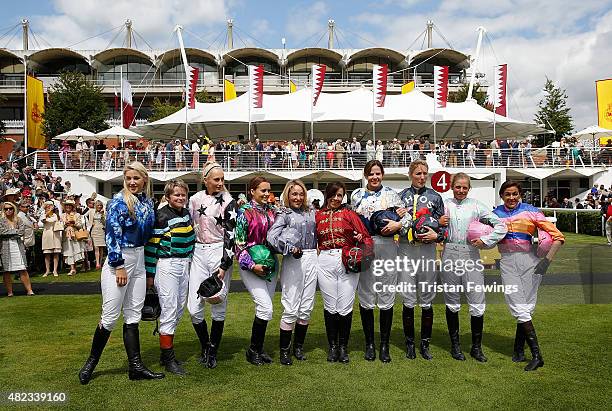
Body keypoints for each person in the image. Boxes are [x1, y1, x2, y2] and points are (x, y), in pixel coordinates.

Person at [78, 161, 163, 385]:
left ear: (144, 179)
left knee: (134, 315)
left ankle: (135, 367)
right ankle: (90, 363)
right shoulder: (117, 203)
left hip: (140, 259)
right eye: (128, 179)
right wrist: (118, 265)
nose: (132, 182)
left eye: (136, 178)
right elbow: (112, 235)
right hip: (121, 260)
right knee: (109, 317)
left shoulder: (147, 203)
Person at [493, 180, 565, 371]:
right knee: (518, 305)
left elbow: (558, 237)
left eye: (515, 194)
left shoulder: (531, 211)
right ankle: (529, 353)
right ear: (501, 195)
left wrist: (546, 262)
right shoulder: (494, 214)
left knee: (527, 307)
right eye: (507, 194)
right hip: (507, 262)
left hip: (530, 262)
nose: (511, 198)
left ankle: (525, 352)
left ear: (520, 195)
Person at [438, 173, 507, 362]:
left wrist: (485, 240)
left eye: (464, 187)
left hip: (471, 253)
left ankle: (476, 348)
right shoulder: (444, 204)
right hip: (450, 252)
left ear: (469, 188)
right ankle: (455, 345)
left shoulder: (476, 205)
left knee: (477, 300)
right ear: (452, 186)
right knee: (452, 300)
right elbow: (430, 223)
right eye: (458, 187)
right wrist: (437, 223)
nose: (461, 190)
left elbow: (500, 226)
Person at [351, 160, 404, 362]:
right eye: (371, 174)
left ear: (382, 175)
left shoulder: (392, 194)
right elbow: (352, 220)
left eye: (378, 174)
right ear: (366, 175)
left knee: (387, 292)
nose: (374, 177)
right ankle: (370, 344)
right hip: (366, 245)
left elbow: (405, 218)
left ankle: (384, 345)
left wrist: (397, 224)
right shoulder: (356, 195)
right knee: (366, 293)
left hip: (388, 246)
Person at [317, 182, 373, 363]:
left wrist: (359, 239)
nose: (336, 198)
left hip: (346, 259)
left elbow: (366, 237)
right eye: (333, 194)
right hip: (324, 260)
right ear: (327, 195)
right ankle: (332, 347)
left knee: (345, 306)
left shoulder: (350, 214)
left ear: (344, 196)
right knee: (330, 306)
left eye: (339, 195)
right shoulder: (318, 216)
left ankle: (343, 347)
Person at [187, 162, 237, 369]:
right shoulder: (194, 199)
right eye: (216, 179)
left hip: (219, 252)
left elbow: (231, 236)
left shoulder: (229, 201)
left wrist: (224, 266)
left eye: (222, 179)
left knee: (218, 304)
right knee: (194, 307)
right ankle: (205, 345)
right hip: (198, 252)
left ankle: (213, 350)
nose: (220, 183)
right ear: (205, 180)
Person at [144, 179, 195, 376]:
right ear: (167, 197)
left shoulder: (187, 214)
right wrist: (150, 275)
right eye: (176, 195)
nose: (180, 198)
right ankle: (168, 359)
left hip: (184, 265)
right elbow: (151, 248)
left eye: (183, 194)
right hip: (167, 266)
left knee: (180, 308)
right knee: (169, 310)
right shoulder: (161, 216)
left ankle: (166, 353)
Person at [397, 160, 446, 360]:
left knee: (426, 299)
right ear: (411, 174)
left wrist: (438, 236)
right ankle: (409, 344)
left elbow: (444, 226)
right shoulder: (400, 197)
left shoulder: (436, 197)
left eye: (424, 173)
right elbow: (394, 224)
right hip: (406, 250)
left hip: (426, 251)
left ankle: (425, 344)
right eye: (418, 173)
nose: (422, 176)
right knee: (408, 299)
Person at [267, 180, 318, 365]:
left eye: (301, 194)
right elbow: (271, 237)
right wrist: (288, 247)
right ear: (287, 195)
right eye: (294, 194)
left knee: (306, 308)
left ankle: (298, 348)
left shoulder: (312, 212)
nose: (298, 197)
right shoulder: (284, 214)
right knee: (291, 306)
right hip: (293, 260)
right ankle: (284, 351)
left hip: (313, 258)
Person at [235, 176, 277, 365]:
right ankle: (253, 350)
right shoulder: (244, 212)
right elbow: (239, 243)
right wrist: (252, 265)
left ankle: (258, 349)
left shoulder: (273, 211)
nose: (267, 194)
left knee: (266, 310)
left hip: (270, 264)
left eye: (268, 190)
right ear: (252, 191)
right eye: (263, 190)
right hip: (250, 264)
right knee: (265, 306)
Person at [1, 202, 34, 296]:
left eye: (10, 208)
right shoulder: (1, 221)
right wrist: (14, 232)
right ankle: (10, 292)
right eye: (6, 209)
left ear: (14, 209)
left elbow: (21, 231)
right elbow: (2, 232)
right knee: (6, 270)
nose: (8, 210)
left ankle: (29, 290)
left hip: (18, 246)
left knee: (22, 268)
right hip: (5, 247)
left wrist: (11, 232)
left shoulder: (18, 219)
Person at [61, 199, 85, 276]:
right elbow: (60, 225)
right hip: (66, 235)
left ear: (72, 207)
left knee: (75, 250)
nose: (68, 207)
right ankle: (72, 268)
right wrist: (65, 224)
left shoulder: (77, 215)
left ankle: (77, 267)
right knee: (69, 251)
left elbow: (80, 225)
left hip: (74, 235)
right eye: (66, 205)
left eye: (69, 205)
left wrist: (74, 224)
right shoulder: (62, 215)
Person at [41, 201, 62, 276]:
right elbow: (43, 220)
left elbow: (56, 220)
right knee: (47, 254)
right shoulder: (43, 214)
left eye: (51, 206)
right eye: (48, 206)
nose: (49, 207)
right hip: (47, 234)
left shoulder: (55, 215)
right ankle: (47, 270)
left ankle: (55, 270)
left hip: (55, 234)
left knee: (56, 253)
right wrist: (48, 212)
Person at [89, 200, 106, 269]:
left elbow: (105, 223)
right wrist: (91, 224)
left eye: (100, 205)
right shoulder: (91, 211)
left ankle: (100, 262)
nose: (99, 206)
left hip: (101, 230)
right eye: (98, 205)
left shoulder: (104, 213)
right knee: (96, 247)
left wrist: (102, 215)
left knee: (101, 248)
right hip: (94, 230)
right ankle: (97, 263)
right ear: (96, 206)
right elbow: (84, 216)